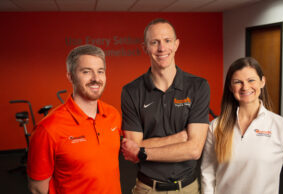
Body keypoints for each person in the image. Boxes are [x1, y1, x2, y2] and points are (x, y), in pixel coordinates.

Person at [121, 18, 210, 193]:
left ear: (176, 44)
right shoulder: (131, 91)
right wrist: (178, 139)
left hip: (188, 188)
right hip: (147, 188)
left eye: (167, 41)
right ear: (145, 47)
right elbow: (132, 149)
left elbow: (194, 150)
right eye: (154, 42)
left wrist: (143, 152)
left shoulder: (198, 86)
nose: (162, 48)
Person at [27, 44, 122, 194]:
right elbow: (37, 189)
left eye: (100, 71)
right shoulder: (48, 129)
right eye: (86, 72)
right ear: (70, 76)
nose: (96, 78)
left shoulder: (113, 115)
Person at [200, 57, 283, 194]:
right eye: (237, 82)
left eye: (251, 80)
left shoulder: (281, 127)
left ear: (262, 82)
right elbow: (208, 172)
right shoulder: (216, 126)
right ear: (230, 87)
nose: (245, 87)